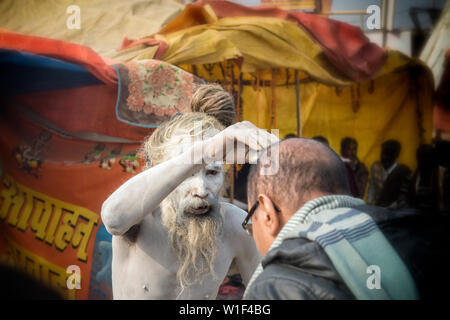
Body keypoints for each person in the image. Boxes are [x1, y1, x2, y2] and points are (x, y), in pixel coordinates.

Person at [101, 84, 278, 299]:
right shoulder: (140, 215)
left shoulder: (236, 226)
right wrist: (204, 151)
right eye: (187, 174)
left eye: (212, 173)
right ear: (165, 172)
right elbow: (113, 219)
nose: (202, 190)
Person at [242, 138, 449, 300]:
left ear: (267, 212)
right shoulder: (424, 229)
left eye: (251, 220)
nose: (252, 230)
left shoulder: (276, 286)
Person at [367, 139, 412, 208]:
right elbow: (372, 187)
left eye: (388, 154)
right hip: (377, 208)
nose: (384, 157)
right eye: (382, 153)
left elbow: (403, 198)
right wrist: (369, 205)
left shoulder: (403, 172)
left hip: (395, 212)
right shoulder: (375, 167)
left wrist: (388, 209)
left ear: (396, 156)